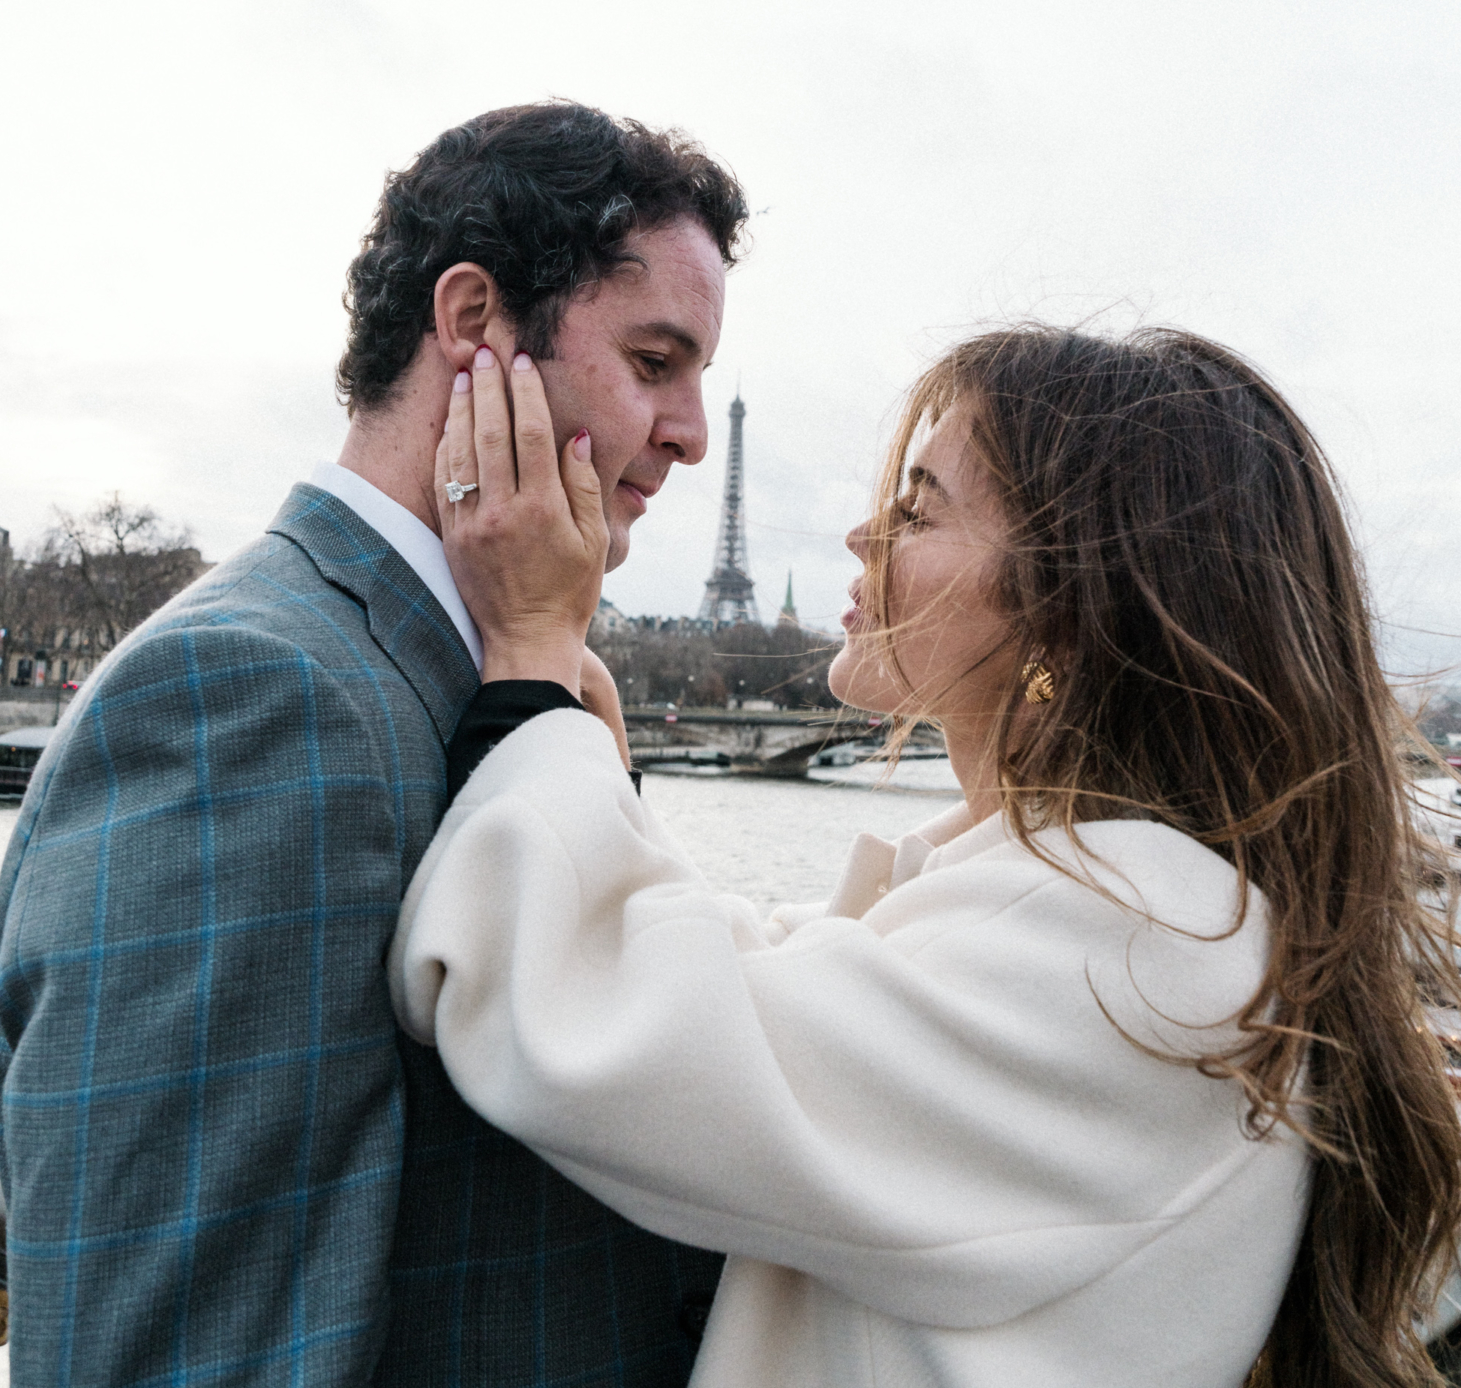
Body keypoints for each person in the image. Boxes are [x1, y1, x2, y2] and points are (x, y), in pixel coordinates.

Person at [391, 325, 1461, 1387]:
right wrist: (592, 759)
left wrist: (530, 651)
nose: (863, 533)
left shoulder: (1148, 938)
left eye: (916, 506)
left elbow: (612, 1029)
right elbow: (761, 996)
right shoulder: (1115, 907)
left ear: (1068, 610)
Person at [0, 102, 743, 1385]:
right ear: (472, 324)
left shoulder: (471, 673)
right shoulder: (250, 699)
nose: (692, 430)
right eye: (656, 360)